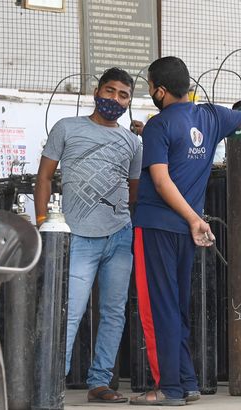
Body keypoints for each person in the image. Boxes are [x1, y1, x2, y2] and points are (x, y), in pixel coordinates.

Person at [130, 56, 241, 405]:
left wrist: (193, 219)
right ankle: (187, 382)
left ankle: (169, 388)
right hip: (185, 231)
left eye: (150, 87)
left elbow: (161, 181)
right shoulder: (211, 116)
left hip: (158, 226)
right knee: (176, 306)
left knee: (158, 308)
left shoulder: (159, 126)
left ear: (160, 90)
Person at [35, 67, 142, 404]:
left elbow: (134, 191)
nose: (115, 99)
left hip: (120, 237)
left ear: (129, 101)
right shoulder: (67, 128)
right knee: (70, 312)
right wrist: (43, 222)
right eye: (109, 91)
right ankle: (52, 381)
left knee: (114, 313)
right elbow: (44, 178)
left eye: (123, 95)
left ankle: (100, 382)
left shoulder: (132, 142)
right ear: (97, 92)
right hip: (78, 237)